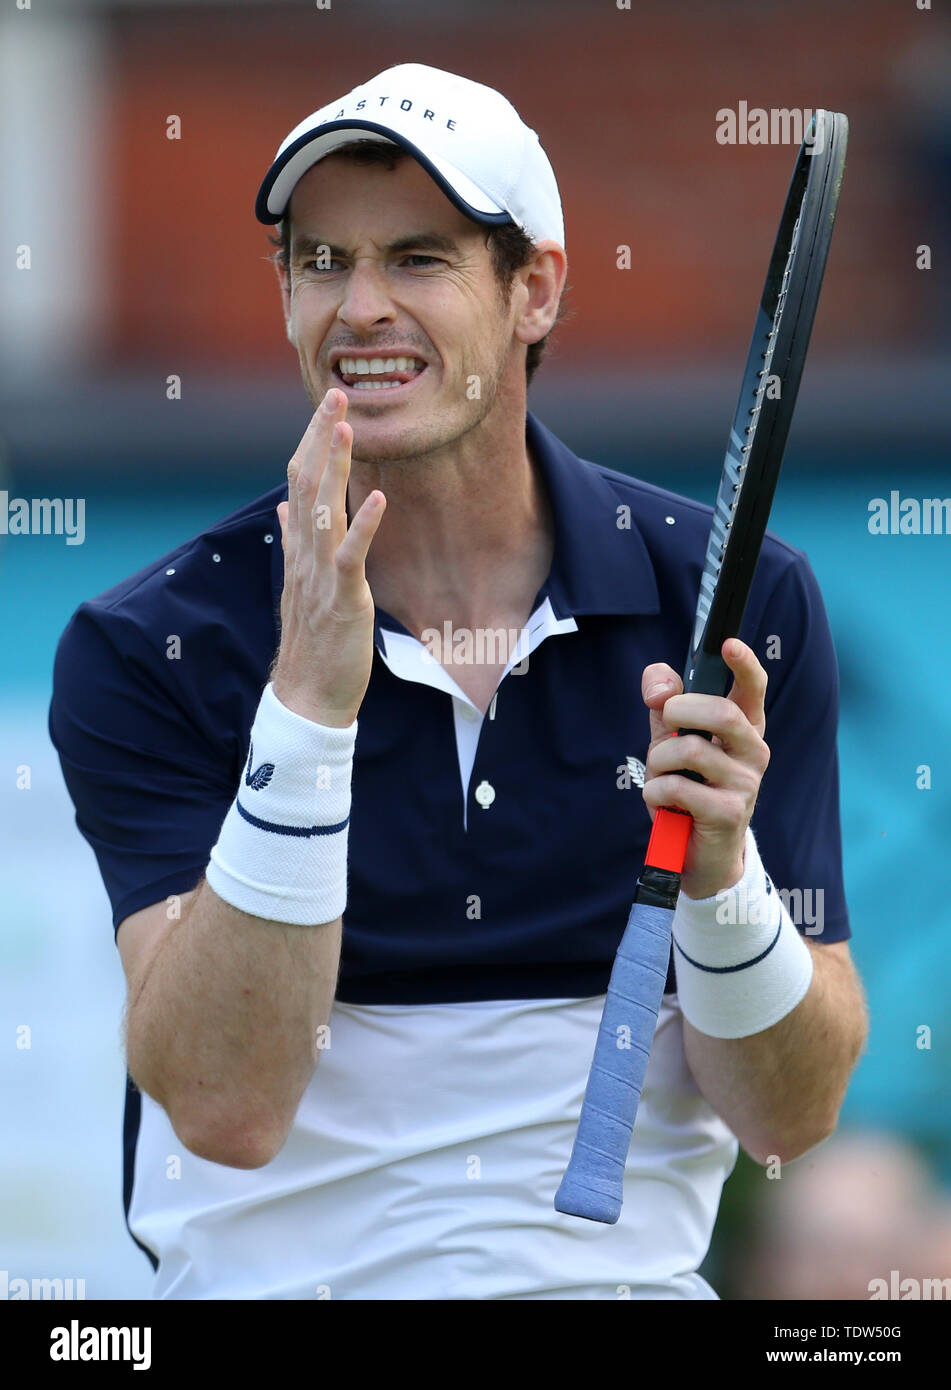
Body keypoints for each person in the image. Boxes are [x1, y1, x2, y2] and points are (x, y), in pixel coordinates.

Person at [49, 63, 868, 1300]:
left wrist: (723, 879)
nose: (360, 307)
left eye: (417, 260)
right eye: (320, 263)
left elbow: (789, 1115)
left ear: (534, 288)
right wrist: (307, 717)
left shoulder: (751, 606)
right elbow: (226, 1104)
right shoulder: (147, 641)